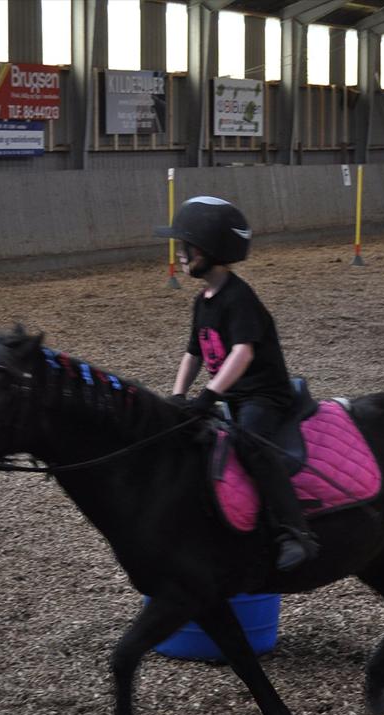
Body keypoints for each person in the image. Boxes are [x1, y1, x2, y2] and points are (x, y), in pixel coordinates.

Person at [155, 196, 319, 572]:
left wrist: (209, 396)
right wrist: (179, 396)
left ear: (211, 249)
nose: (180, 254)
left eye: (186, 247)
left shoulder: (239, 297)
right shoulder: (204, 300)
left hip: (263, 395)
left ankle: (295, 532)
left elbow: (242, 354)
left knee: (250, 445)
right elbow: (193, 352)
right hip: (232, 395)